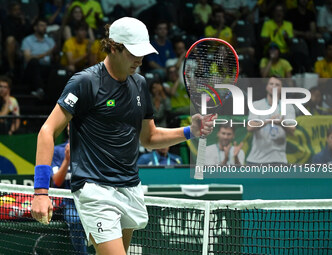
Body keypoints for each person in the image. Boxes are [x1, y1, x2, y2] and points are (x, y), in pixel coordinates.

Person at [31, 17, 215, 255]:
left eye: (142, 53)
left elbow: (149, 138)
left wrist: (192, 131)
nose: (140, 59)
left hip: (129, 187)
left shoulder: (139, 84)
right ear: (115, 47)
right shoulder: (85, 82)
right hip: (95, 189)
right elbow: (47, 131)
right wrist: (40, 192)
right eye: (133, 53)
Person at [246, 76, 296, 164]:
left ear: (281, 88)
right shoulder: (256, 105)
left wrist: (281, 124)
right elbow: (250, 127)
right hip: (256, 160)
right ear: (267, 87)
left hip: (278, 160)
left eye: (277, 85)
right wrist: (267, 121)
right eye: (271, 84)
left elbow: (292, 130)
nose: (274, 87)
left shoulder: (288, 107)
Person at [51, 138, 88, 254]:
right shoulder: (57, 151)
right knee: (75, 220)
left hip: (88, 199)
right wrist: (67, 160)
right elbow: (56, 182)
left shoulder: (91, 149)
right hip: (68, 202)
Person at [21, 18, 56, 99]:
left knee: (57, 67)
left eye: (45, 26)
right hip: (31, 69)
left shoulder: (50, 41)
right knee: (34, 62)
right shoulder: (28, 40)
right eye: (42, 25)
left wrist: (55, 54)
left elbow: (53, 56)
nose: (44, 27)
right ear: (35, 27)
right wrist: (45, 54)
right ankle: (39, 89)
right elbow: (27, 58)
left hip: (46, 67)